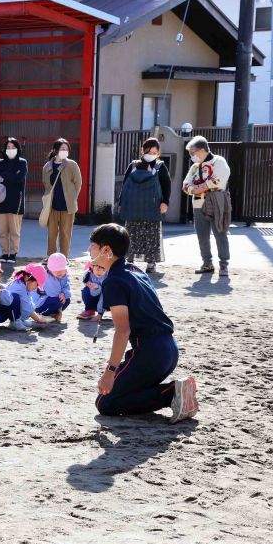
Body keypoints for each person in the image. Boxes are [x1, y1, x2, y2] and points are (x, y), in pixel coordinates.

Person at [90, 223, 198, 422]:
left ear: (106, 250)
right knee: (125, 391)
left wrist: (110, 371)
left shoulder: (114, 281)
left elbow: (122, 331)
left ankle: (172, 393)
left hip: (150, 354)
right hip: (170, 350)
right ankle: (176, 392)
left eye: (93, 245)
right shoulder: (135, 270)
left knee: (105, 403)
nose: (89, 249)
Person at [119, 137, 171, 273]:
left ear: (158, 153)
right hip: (143, 206)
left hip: (146, 206)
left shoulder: (158, 166)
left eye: (154, 152)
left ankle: (149, 262)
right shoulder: (135, 165)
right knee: (132, 233)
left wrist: (165, 202)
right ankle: (130, 260)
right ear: (143, 151)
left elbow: (166, 185)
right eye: (148, 152)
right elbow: (124, 185)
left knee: (150, 234)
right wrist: (121, 202)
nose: (151, 155)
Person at [182, 135, 232, 277]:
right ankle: (207, 263)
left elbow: (218, 179)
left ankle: (223, 264)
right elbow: (185, 185)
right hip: (198, 203)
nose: (192, 156)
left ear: (202, 150)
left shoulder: (218, 161)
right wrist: (194, 190)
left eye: (193, 152)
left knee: (220, 232)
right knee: (202, 235)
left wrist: (199, 187)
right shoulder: (194, 167)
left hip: (215, 202)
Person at [41, 138, 82, 258]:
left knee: (66, 233)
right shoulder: (47, 166)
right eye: (62, 149)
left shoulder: (72, 165)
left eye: (66, 149)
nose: (65, 151)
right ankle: (51, 257)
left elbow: (78, 183)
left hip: (67, 205)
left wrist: (72, 197)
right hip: (52, 205)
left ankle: (64, 257)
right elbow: (45, 184)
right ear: (55, 150)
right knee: (51, 234)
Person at [0, 137, 27, 263]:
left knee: (14, 231)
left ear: (18, 149)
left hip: (16, 201)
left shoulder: (22, 162)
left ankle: (13, 253)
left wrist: (4, 176)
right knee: (2, 231)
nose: (10, 149)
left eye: (13, 147)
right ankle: (5, 253)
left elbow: (19, 178)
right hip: (1, 201)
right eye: (8, 147)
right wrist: (11, 176)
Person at [1, 264, 48, 332]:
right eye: (37, 284)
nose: (36, 288)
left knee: (20, 301)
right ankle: (15, 322)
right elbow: (27, 308)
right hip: (1, 314)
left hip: (7, 312)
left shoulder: (23, 285)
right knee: (15, 297)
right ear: (27, 278)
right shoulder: (19, 287)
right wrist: (39, 319)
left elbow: (28, 303)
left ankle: (20, 320)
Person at [35, 253, 72, 322]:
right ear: (49, 269)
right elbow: (53, 294)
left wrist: (64, 293)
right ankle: (43, 314)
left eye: (61, 269)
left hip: (54, 298)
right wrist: (60, 310)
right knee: (58, 300)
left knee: (67, 300)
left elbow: (66, 287)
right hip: (40, 302)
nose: (59, 272)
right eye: (56, 270)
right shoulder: (47, 276)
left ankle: (53, 313)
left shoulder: (64, 275)